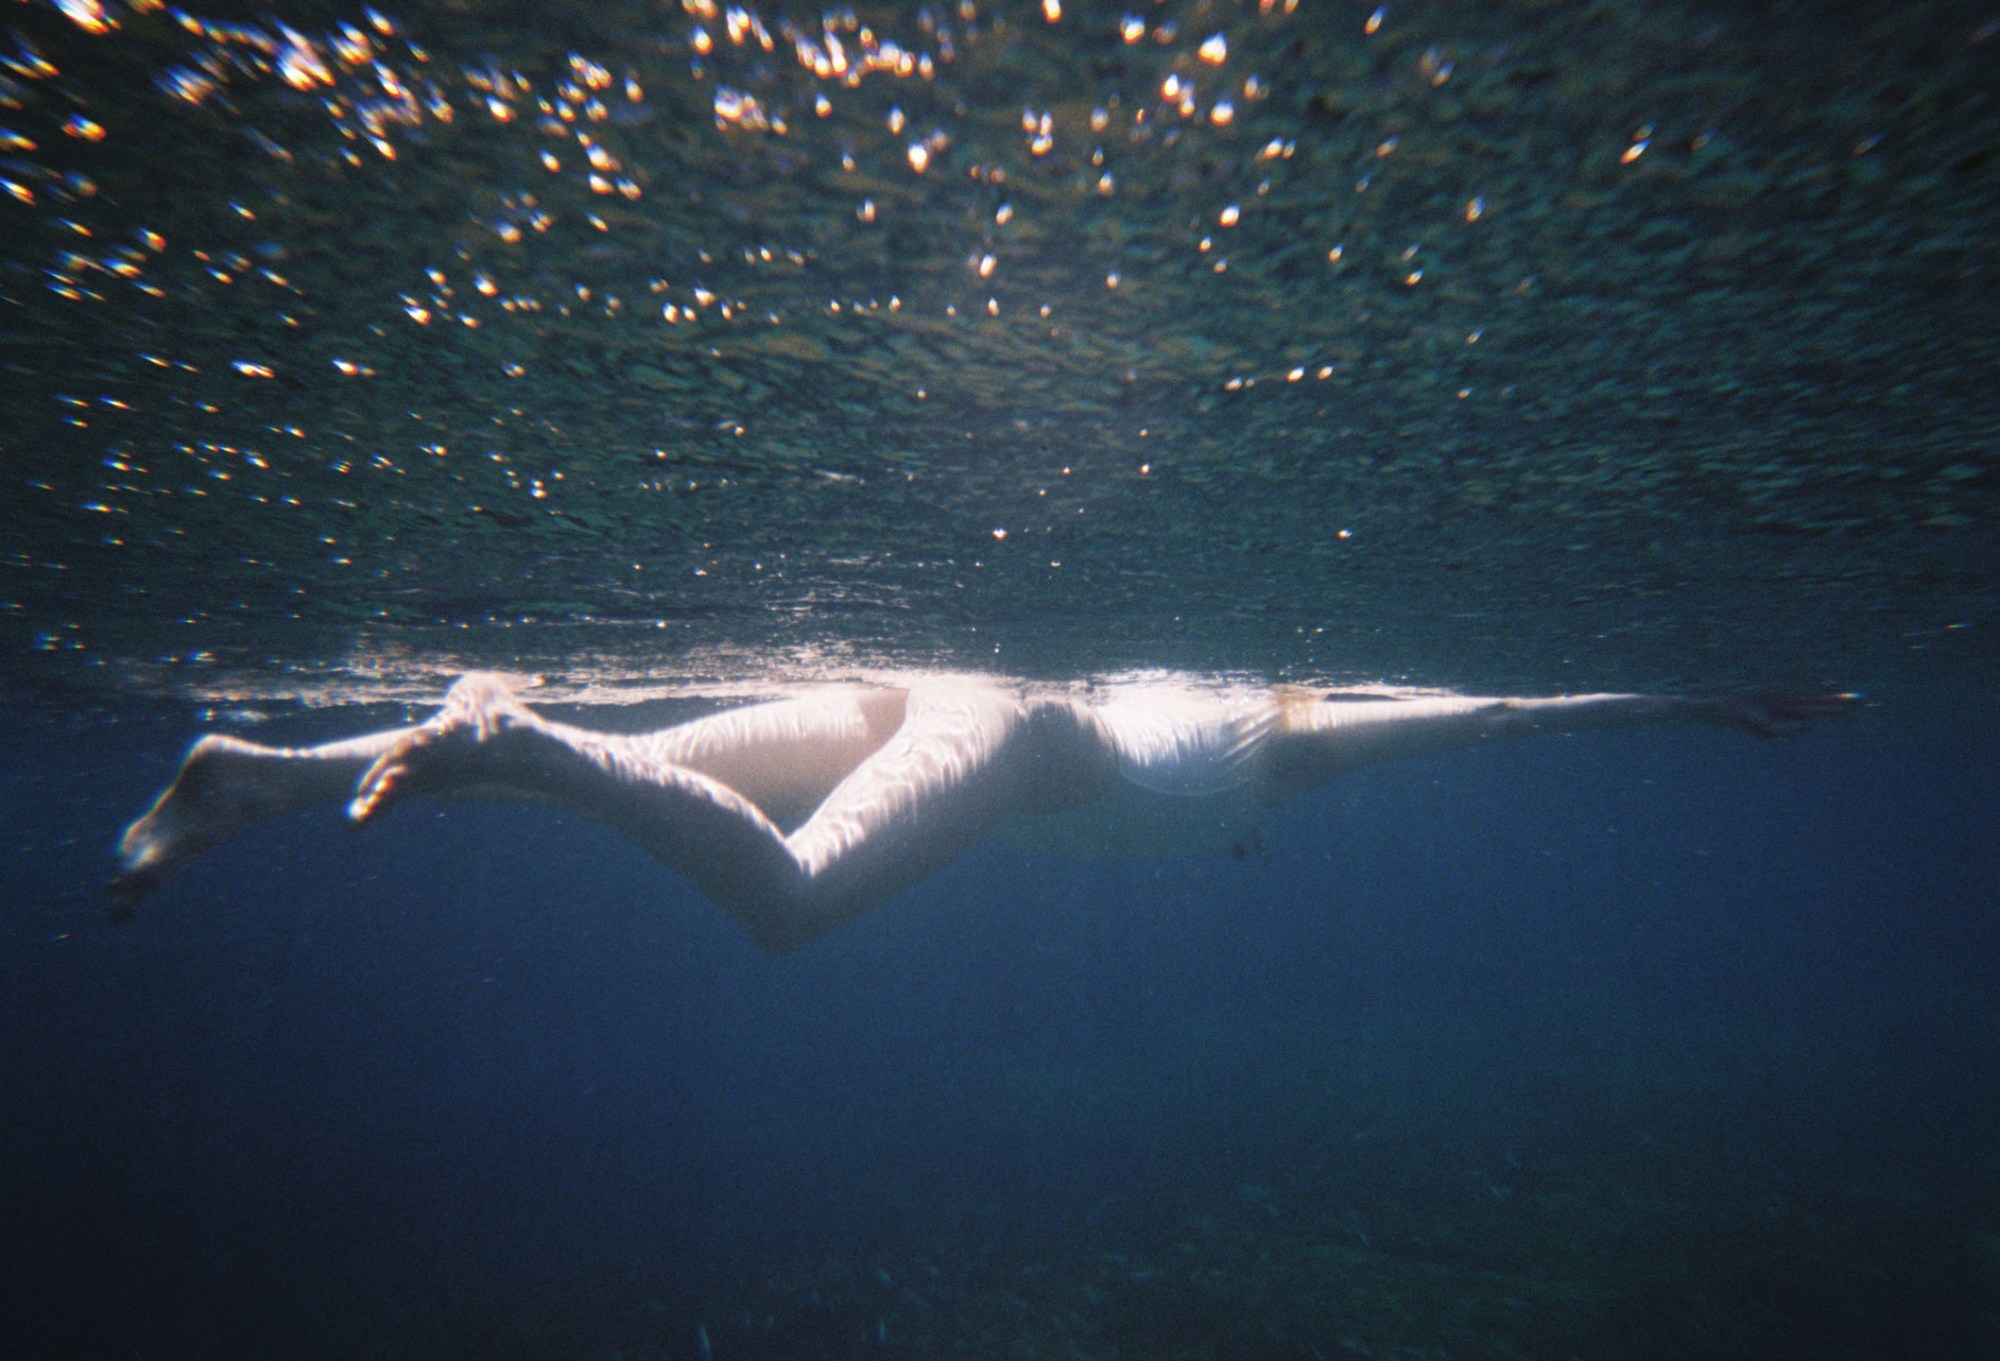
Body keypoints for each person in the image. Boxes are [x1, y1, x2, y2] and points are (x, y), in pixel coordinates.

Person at [112, 671, 1855, 952]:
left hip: (933, 693)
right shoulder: (1280, 747)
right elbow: (1484, 721)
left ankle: (250, 775)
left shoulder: (1225, 759)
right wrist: (1689, 697)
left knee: (687, 756)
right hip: (1017, 736)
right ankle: (530, 737)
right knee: (788, 906)